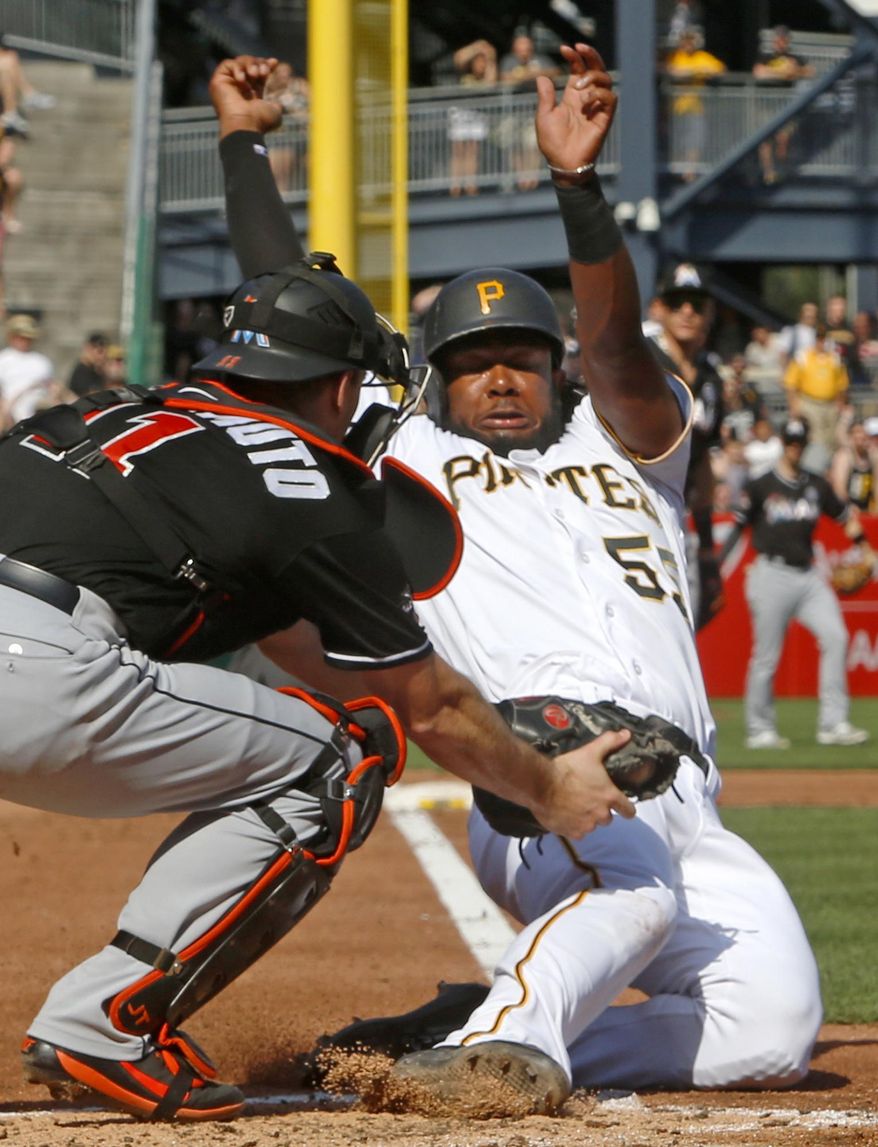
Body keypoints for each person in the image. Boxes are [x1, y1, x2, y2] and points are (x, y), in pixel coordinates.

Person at [5, 61, 635, 1123]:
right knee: (340, 757)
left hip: (39, 621)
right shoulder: (305, 476)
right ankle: (106, 1018)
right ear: (341, 384)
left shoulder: (119, 412)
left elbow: (291, 641)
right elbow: (419, 702)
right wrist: (543, 786)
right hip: (35, 665)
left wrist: (245, 145)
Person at [215, 48, 822, 1114]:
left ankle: (476, 1022)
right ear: (436, 378)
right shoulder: (411, 460)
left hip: (689, 796)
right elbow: (295, 309)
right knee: (626, 887)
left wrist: (577, 190)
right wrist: (242, 145)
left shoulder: (630, 440)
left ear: (555, 369)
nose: (499, 375)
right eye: (471, 358)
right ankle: (501, 1043)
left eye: (522, 356)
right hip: (544, 788)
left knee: (768, 1032)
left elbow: (617, 344)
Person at [720, 417, 869, 749]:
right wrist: (716, 567)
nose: (794, 447)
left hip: (807, 575)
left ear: (805, 445)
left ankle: (833, 724)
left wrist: (865, 548)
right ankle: (760, 729)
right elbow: (736, 528)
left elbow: (845, 517)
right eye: (790, 442)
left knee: (836, 637)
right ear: (783, 443)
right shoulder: (761, 485)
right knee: (767, 657)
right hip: (771, 573)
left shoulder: (816, 485)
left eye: (799, 443)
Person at [649, 262, 726, 630]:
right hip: (633, 509)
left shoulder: (711, 377)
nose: (687, 312)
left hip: (678, 517)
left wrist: (709, 549)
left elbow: (702, 464)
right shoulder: (642, 362)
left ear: (710, 312)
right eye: (677, 302)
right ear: (658, 309)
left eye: (696, 303)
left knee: (684, 630)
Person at [751, 26, 814, 185]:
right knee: (765, 139)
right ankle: (769, 173)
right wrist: (782, 72)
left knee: (783, 138)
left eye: (783, 39)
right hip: (766, 104)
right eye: (778, 39)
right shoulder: (765, 56)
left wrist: (795, 71)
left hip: (784, 104)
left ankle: (781, 169)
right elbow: (758, 72)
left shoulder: (793, 57)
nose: (780, 42)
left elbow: (810, 71)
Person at [784, 321, 849, 471]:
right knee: (816, 439)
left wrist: (841, 403)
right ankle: (815, 470)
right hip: (810, 403)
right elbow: (791, 383)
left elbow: (842, 384)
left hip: (831, 404)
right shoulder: (804, 357)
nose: (822, 341)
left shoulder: (834, 358)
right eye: (819, 338)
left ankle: (831, 469)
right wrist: (794, 406)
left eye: (824, 338)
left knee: (831, 439)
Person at [499, 32, 560, 191]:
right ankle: (521, 177)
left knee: (532, 145)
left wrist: (529, 74)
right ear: (515, 48)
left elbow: (555, 72)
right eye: (521, 47)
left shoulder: (541, 60)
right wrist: (530, 75)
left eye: (527, 46)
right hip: (513, 112)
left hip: (534, 112)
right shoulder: (509, 61)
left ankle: (531, 178)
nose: (524, 50)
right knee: (511, 144)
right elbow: (504, 78)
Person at [663, 27, 726, 182]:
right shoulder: (675, 57)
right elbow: (669, 70)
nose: (688, 43)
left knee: (695, 139)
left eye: (690, 40)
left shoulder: (701, 57)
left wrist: (700, 71)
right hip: (676, 108)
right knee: (677, 141)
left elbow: (721, 70)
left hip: (696, 107)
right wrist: (693, 72)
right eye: (685, 40)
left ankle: (689, 172)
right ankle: (677, 170)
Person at [447, 40, 497, 198]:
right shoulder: (463, 72)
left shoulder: (485, 75)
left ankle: (471, 184)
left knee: (472, 151)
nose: (481, 65)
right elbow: (459, 57)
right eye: (479, 62)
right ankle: (455, 185)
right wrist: (478, 47)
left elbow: (491, 83)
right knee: (458, 151)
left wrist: (489, 57)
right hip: (460, 113)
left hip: (477, 113)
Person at [0, 312, 55, 430]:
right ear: (11, 336)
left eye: (28, 337)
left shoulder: (42, 361)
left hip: (40, 405)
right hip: (11, 408)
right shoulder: (3, 359)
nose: (24, 341)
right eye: (21, 337)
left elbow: (51, 387)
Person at [263, 60, 309, 194]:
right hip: (278, 138)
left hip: (298, 137)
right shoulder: (271, 89)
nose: (285, 75)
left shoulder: (299, 86)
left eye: (288, 72)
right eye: (281, 72)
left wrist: (297, 113)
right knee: (275, 171)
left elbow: (315, 107)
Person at [830, 419, 878, 511]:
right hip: (845, 509)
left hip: (865, 509)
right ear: (851, 437)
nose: (861, 436)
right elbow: (839, 489)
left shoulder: (872, 458)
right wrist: (849, 506)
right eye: (857, 432)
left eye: (863, 432)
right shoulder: (844, 457)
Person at [67, 331, 109, 397]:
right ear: (88, 348)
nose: (103, 356)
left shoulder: (95, 371)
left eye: (105, 353)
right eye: (100, 351)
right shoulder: (82, 372)